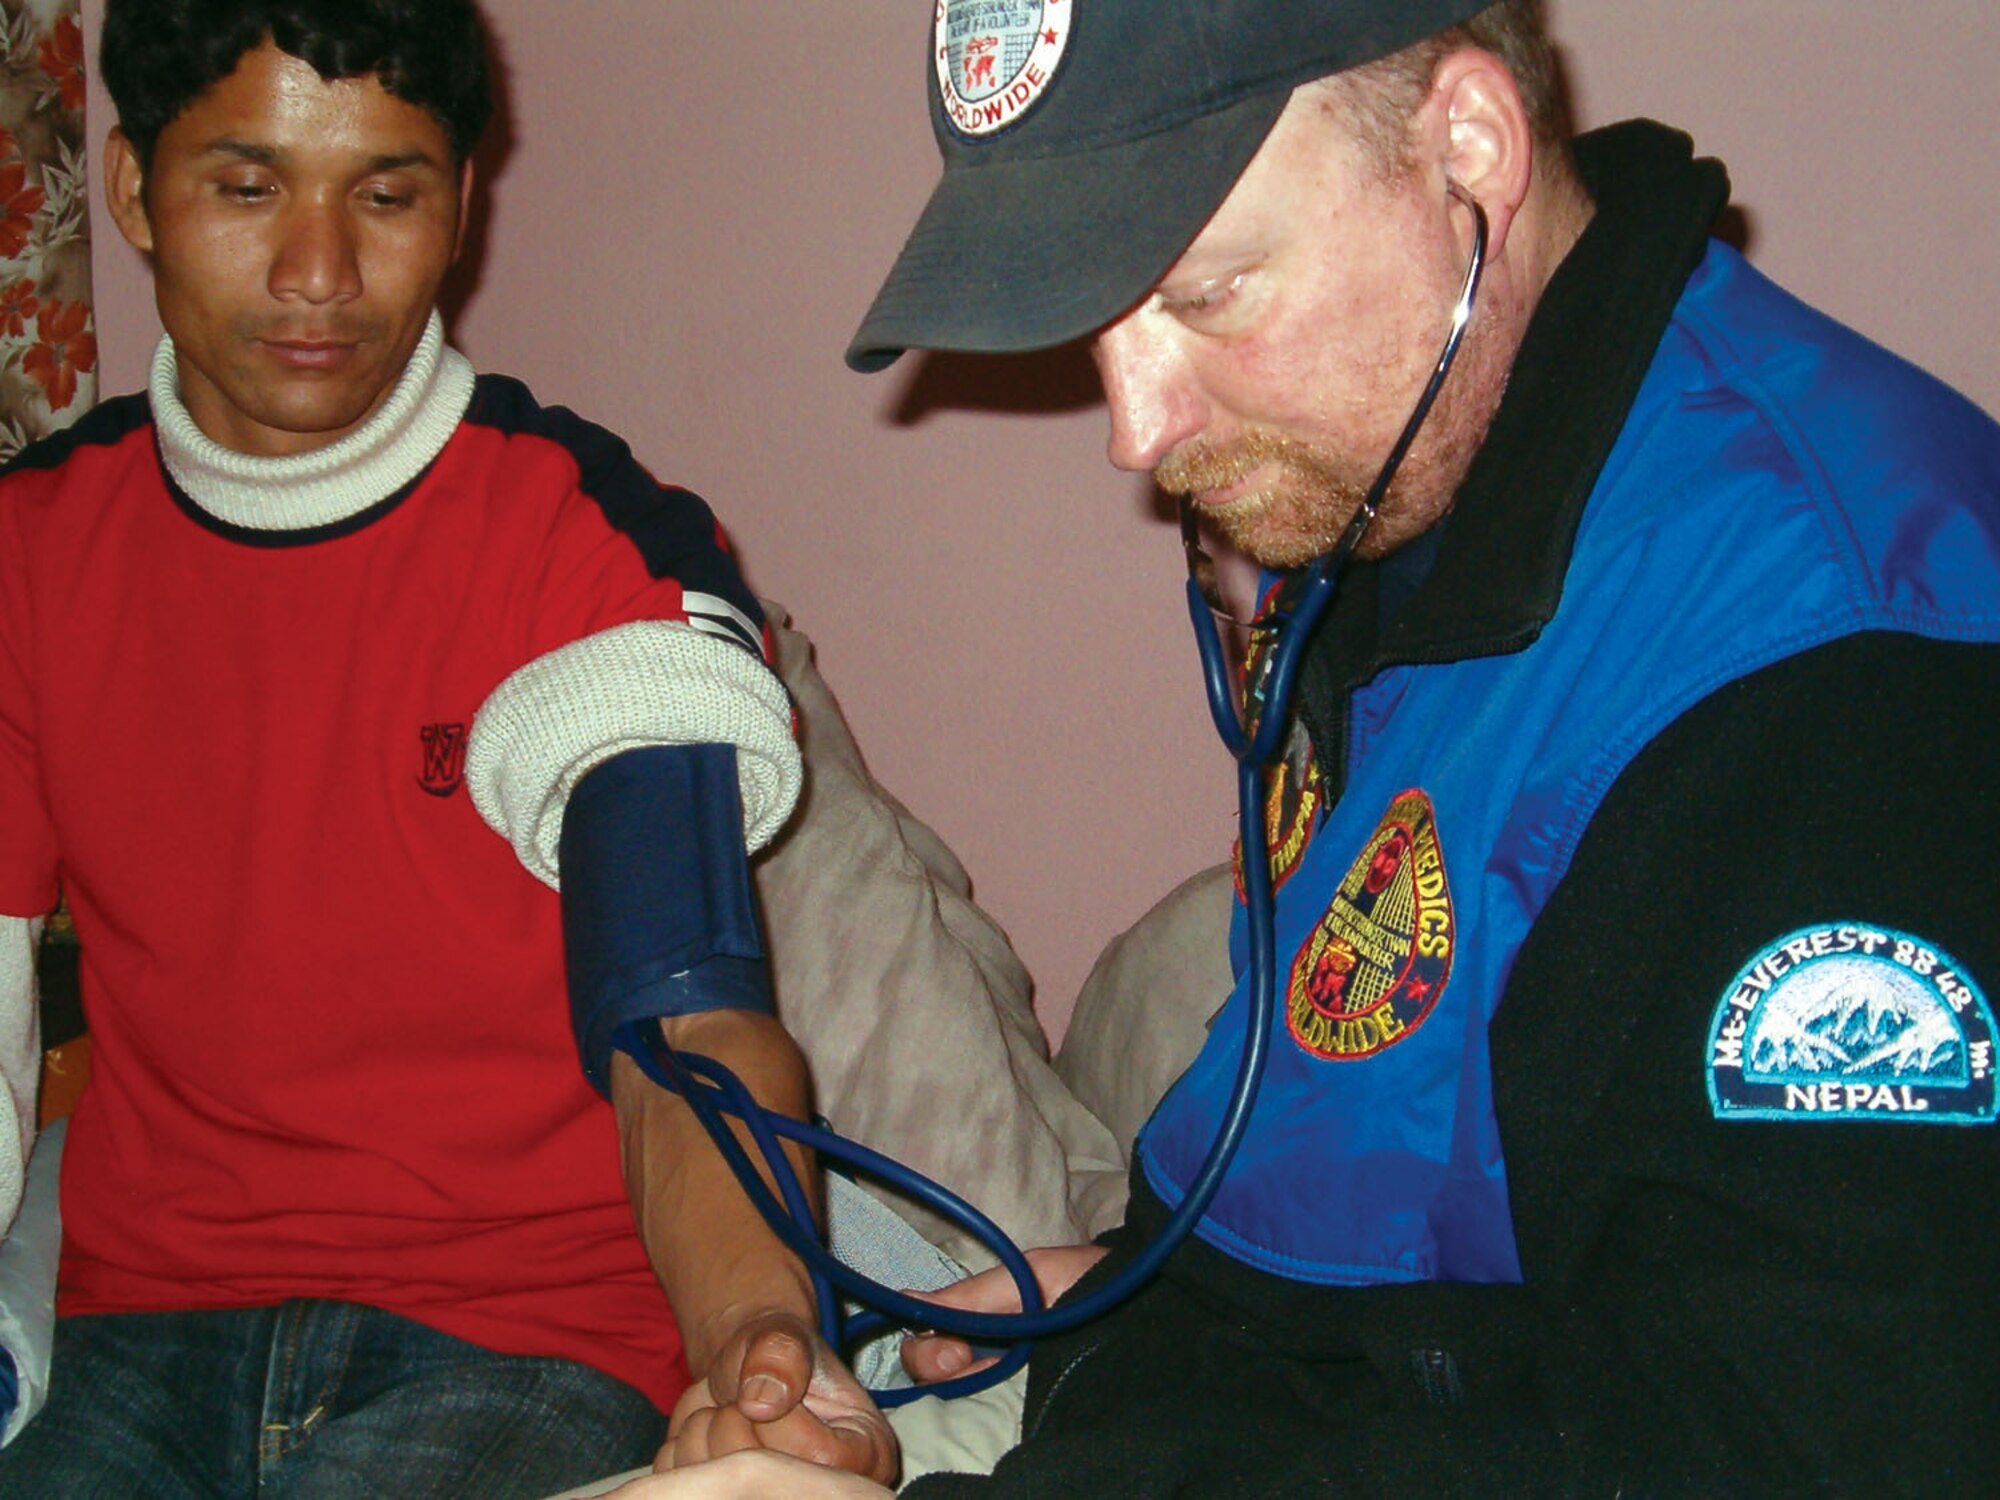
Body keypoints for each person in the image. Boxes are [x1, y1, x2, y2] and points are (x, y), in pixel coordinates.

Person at [627, 0, 2000, 1493]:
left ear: (1468, 146)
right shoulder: (1405, 480)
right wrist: (1135, 1285)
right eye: (1096, 320)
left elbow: (1795, 1432)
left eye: (1208, 294)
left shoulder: (1841, 669)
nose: (1134, 430)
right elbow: (1407, 1107)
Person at [0, 1, 896, 1491]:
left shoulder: (588, 546)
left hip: (523, 1336)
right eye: (246, 185)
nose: (318, 274)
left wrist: (757, 1331)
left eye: (388, 194)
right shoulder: (28, 554)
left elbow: (685, 1022)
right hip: (145, 1332)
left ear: (462, 207)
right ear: (127, 189)